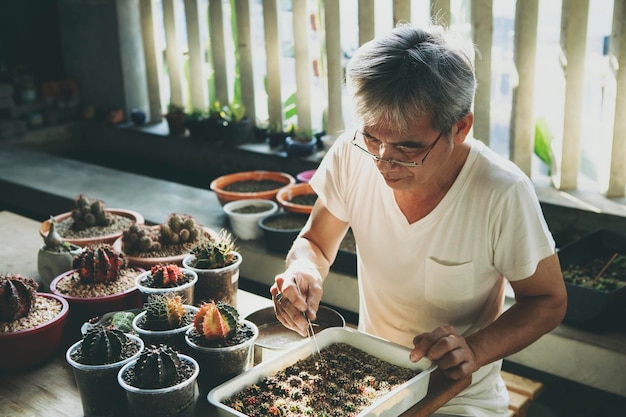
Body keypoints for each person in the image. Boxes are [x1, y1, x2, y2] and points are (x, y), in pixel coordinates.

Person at [270, 22, 567, 417]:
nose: (383, 161)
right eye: (373, 138)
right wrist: (303, 270)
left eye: (408, 147)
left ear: (459, 127)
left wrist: (474, 350)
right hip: (368, 381)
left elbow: (548, 300)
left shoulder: (501, 192)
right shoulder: (352, 154)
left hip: (458, 396)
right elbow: (317, 243)